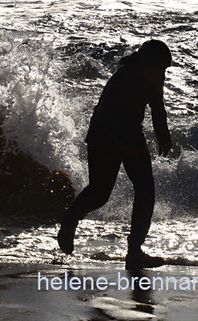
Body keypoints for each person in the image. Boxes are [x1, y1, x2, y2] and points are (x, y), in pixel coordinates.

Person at [57, 39, 173, 270]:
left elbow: (157, 108)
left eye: (165, 70)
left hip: (131, 133)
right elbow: (105, 115)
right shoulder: (124, 77)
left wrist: (164, 137)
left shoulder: (154, 78)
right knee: (100, 193)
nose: (162, 74)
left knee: (145, 190)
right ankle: (70, 218)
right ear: (145, 64)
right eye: (159, 69)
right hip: (104, 134)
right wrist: (122, 144)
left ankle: (134, 252)